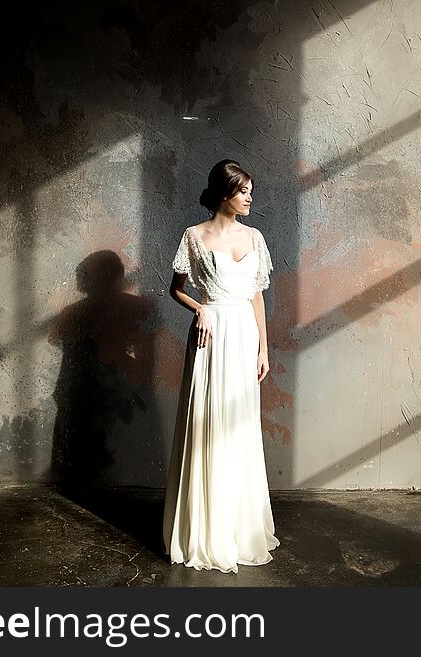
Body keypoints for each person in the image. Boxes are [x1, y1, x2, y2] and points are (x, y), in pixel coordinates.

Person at [162, 159, 280, 573]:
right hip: (211, 338)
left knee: (239, 427)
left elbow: (257, 296)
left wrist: (264, 349)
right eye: (244, 190)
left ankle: (238, 528)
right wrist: (201, 309)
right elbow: (175, 288)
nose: (251, 197)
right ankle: (206, 532)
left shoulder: (256, 237)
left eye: (251, 190)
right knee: (207, 425)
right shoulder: (193, 237)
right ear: (225, 193)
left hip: (244, 337)